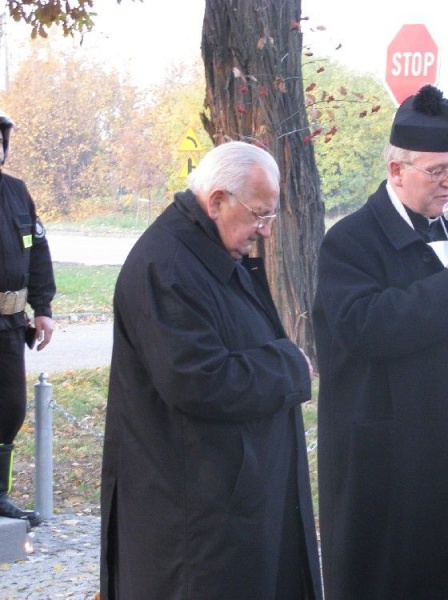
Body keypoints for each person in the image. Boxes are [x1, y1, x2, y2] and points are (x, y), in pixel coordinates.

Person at [312, 85, 448, 599]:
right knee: (404, 575)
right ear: (397, 170)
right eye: (437, 172)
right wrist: (447, 283)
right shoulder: (350, 241)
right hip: (394, 452)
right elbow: (361, 327)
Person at [100, 141, 322, 599]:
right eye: (259, 215)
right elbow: (198, 380)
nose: (264, 230)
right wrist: (290, 367)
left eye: (270, 217)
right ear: (218, 200)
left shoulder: (211, 249)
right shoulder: (166, 265)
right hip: (192, 523)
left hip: (227, 504)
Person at [0, 110, 55, 529]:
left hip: (10, 324)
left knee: (10, 409)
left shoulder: (17, 193)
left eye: (1, 141)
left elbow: (37, 252)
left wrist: (43, 310)